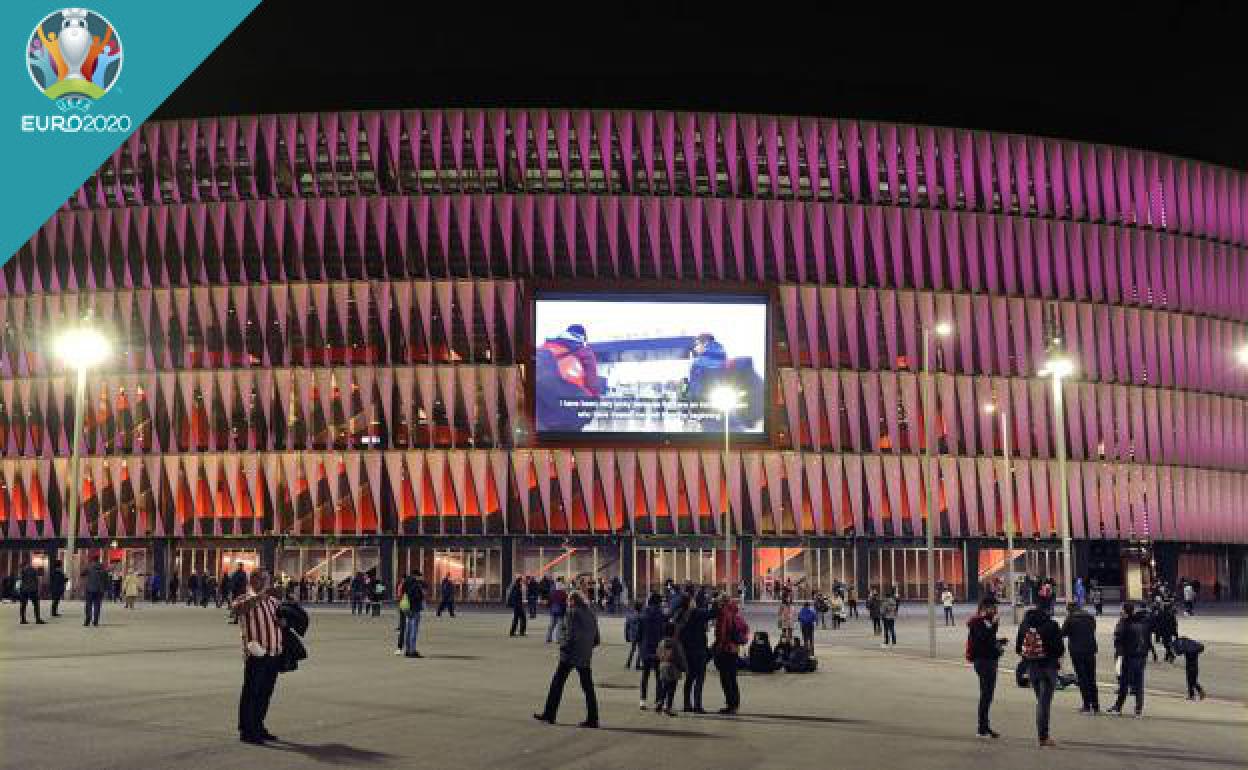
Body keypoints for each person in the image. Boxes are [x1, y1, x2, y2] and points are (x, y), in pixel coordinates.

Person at [533, 590, 600, 728]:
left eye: (569, 601)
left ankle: (549, 714)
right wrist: (586, 648)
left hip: (570, 655)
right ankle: (593, 718)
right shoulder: (591, 614)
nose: (567, 603)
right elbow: (597, 639)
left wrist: (563, 647)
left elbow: (570, 634)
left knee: (557, 684)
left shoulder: (572, 613)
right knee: (588, 688)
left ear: (573, 601)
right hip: (585, 655)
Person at [233, 570, 283, 745]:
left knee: (265, 693)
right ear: (251, 580)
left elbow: (280, 621)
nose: (263, 582)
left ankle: (258, 725)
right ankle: (247, 730)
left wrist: (283, 622)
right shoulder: (242, 599)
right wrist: (261, 596)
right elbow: (238, 610)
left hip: (273, 653)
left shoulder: (274, 602)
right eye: (259, 578)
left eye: (266, 579)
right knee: (251, 693)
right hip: (256, 654)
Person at [1015, 602, 1065, 747]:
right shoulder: (1052, 625)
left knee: (1041, 702)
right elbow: (1059, 649)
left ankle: (1043, 734)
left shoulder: (1024, 626)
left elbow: (1019, 649)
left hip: (1032, 669)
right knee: (1044, 704)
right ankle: (1043, 737)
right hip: (1048, 668)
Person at [967, 598, 1004, 739]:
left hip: (988, 660)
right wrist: (994, 626)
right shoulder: (978, 622)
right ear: (985, 608)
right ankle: (982, 729)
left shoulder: (985, 622)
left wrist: (999, 642)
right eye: (993, 607)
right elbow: (982, 639)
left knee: (988, 695)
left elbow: (988, 640)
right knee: (986, 695)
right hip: (984, 662)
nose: (996, 610)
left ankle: (985, 726)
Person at [1108, 602, 1151, 717]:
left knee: (1124, 683)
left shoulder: (1126, 624)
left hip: (1129, 657)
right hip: (1141, 656)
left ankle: (1118, 707)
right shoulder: (1143, 623)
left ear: (1125, 611)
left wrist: (1120, 654)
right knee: (1138, 684)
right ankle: (1138, 710)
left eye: (1121, 609)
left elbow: (1119, 640)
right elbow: (1147, 640)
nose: (1120, 611)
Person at [677, 593, 715, 713]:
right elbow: (712, 614)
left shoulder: (680, 615)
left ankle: (687, 704)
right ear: (690, 602)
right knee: (699, 678)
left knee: (689, 678)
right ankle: (697, 705)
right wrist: (715, 601)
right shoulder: (696, 613)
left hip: (686, 651)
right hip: (698, 650)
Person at [712, 597, 748, 715]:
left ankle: (730, 704)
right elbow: (745, 630)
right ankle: (735, 704)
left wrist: (717, 647)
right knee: (732, 678)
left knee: (725, 679)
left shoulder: (724, 615)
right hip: (734, 650)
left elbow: (721, 634)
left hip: (725, 650)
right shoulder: (737, 616)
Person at [1061, 601, 1099, 714]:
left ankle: (1087, 705)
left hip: (1077, 651)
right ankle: (1096, 705)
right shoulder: (1090, 617)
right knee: (1091, 678)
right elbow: (1093, 629)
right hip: (1090, 649)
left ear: (1069, 609)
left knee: (1082, 678)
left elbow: (1063, 633)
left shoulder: (1070, 618)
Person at [637, 593, 665, 710]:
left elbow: (639, 633)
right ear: (658, 602)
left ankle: (642, 700)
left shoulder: (643, 614)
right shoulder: (662, 615)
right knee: (659, 676)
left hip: (645, 648)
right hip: (658, 648)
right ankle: (658, 700)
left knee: (645, 675)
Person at [654, 622, 687, 716]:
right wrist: (684, 667)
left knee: (665, 686)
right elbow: (680, 656)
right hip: (673, 668)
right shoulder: (676, 642)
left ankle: (660, 702)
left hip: (663, 666)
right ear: (673, 631)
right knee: (672, 688)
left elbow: (657, 654)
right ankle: (668, 708)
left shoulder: (661, 642)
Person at [398, 570, 426, 658]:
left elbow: (403, 593)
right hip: (415, 608)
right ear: (416, 576)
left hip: (407, 608)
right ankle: (412, 650)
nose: (420, 578)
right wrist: (421, 594)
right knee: (414, 630)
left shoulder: (405, 582)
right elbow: (416, 596)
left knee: (408, 629)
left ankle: (407, 649)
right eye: (419, 576)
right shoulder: (415, 584)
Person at [1171, 636, 1205, 700]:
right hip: (1195, 667)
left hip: (1190, 667)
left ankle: (1194, 694)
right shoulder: (1194, 648)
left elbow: (1179, 652)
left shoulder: (1188, 649)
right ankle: (1197, 693)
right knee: (1193, 681)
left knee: (1190, 681)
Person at [82, 557, 108, 627]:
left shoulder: (89, 567)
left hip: (90, 589)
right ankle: (95, 621)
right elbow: (106, 580)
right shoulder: (103, 569)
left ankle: (87, 620)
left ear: (92, 560)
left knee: (88, 605)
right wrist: (105, 589)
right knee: (97, 606)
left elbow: (82, 574)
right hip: (100, 590)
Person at [17, 559, 44, 625]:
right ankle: (37, 619)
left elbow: (20, 580)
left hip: (24, 590)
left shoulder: (22, 571)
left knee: (23, 605)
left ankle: (23, 619)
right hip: (32, 589)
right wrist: (38, 589)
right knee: (36, 605)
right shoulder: (33, 570)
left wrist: (19, 589)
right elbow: (37, 580)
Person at [624, 599, 643, 669]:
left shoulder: (630, 616)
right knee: (640, 650)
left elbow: (627, 626)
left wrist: (626, 636)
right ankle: (637, 664)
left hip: (632, 635)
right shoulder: (642, 616)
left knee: (632, 649)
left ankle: (628, 663)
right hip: (640, 634)